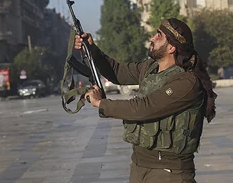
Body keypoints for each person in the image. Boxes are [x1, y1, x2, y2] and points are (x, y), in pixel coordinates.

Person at [75, 18, 217, 183]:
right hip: (139, 165)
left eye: (159, 35)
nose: (152, 38)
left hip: (170, 172)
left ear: (171, 47)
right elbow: (117, 71)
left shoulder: (187, 82)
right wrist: (92, 49)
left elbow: (144, 108)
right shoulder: (150, 68)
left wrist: (102, 103)